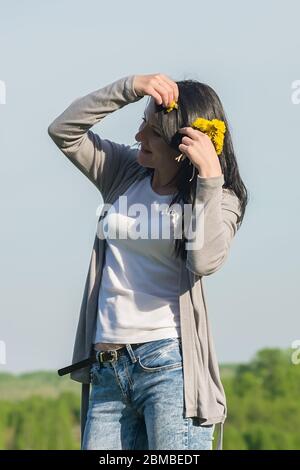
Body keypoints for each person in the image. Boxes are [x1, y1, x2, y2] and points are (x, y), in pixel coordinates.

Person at [48, 73, 248, 450]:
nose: (139, 136)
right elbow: (64, 130)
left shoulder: (222, 198)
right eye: (142, 123)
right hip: (106, 367)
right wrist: (130, 87)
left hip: (170, 368)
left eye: (153, 131)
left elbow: (205, 261)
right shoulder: (124, 172)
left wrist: (208, 177)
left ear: (183, 145)